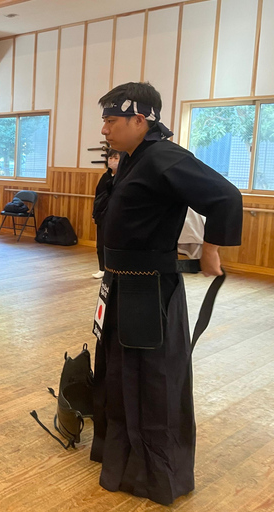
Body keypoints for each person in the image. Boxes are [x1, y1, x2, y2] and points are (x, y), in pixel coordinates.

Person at [91, 82, 243, 505]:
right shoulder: (135, 160)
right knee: (121, 376)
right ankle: (122, 461)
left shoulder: (164, 157)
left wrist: (210, 250)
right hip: (122, 283)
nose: (104, 128)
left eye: (111, 119)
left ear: (140, 120)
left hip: (150, 289)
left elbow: (226, 196)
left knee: (152, 381)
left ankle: (156, 475)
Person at [91, 149, 120, 279]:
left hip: (116, 216)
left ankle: (114, 270)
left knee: (114, 244)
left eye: (116, 158)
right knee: (100, 244)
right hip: (102, 214)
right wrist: (94, 214)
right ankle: (102, 268)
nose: (112, 161)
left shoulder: (124, 177)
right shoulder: (105, 177)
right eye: (110, 158)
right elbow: (98, 196)